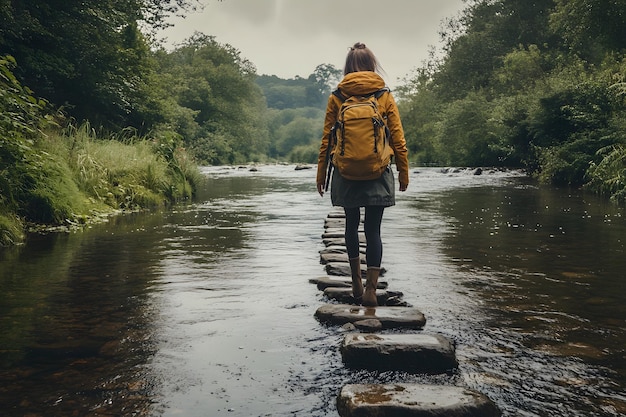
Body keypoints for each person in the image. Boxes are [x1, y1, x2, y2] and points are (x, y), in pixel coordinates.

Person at [316, 42, 409, 307]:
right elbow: (398, 138)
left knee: (350, 225)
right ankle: (371, 290)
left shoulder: (337, 96)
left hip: (345, 172)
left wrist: (321, 173)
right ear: (372, 65)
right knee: (373, 230)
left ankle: (355, 283)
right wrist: (403, 171)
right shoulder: (383, 95)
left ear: (348, 68)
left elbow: (327, 140)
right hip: (378, 171)